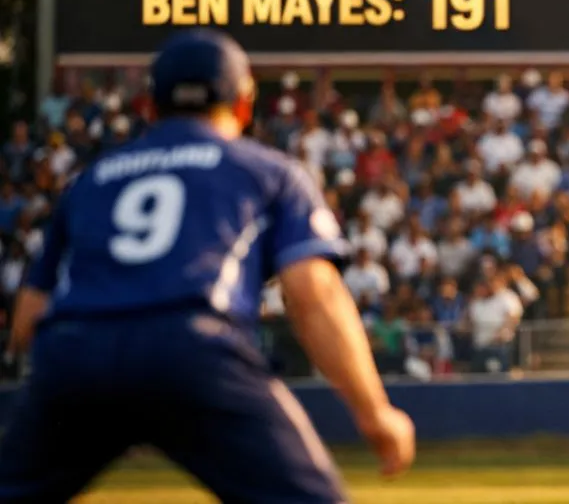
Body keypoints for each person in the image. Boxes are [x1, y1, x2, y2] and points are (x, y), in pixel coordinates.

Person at [0, 29, 415, 503]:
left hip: (76, 352)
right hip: (194, 347)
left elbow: (28, 321)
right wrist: (374, 411)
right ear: (243, 103)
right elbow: (313, 294)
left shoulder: (89, 182)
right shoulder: (269, 170)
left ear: (150, 107)